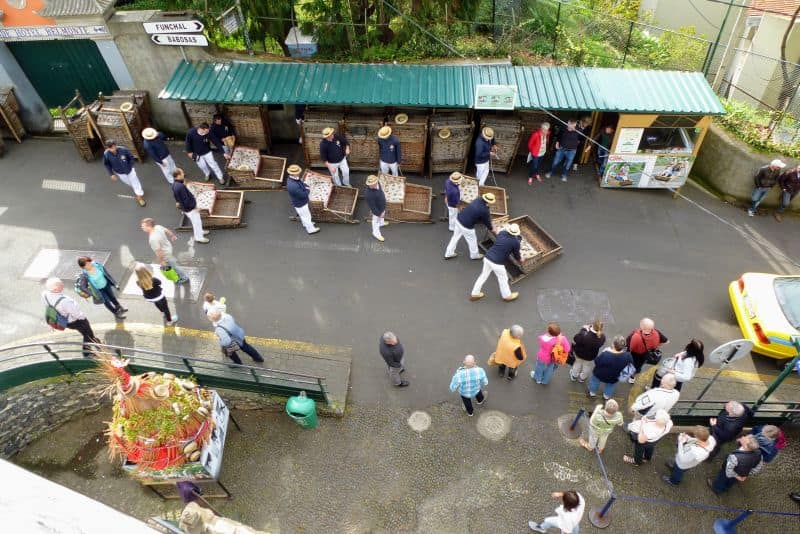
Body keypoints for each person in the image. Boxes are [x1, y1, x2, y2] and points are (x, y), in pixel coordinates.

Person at [42, 277, 99, 358]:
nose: (63, 284)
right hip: (75, 321)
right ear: (55, 289)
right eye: (60, 284)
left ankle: (93, 340)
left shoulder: (45, 294)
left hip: (65, 321)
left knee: (84, 332)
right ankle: (87, 353)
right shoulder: (64, 301)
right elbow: (76, 314)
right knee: (88, 334)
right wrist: (83, 318)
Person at [470, 223, 521, 302]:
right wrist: (521, 259)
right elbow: (517, 255)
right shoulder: (515, 242)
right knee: (503, 278)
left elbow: (497, 232)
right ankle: (507, 296)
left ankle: (475, 293)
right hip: (497, 263)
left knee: (483, 275)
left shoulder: (502, 233)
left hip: (487, 257)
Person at [444, 193, 496, 260]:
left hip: (459, 219)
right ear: (489, 201)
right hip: (467, 226)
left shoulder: (478, 200)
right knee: (472, 241)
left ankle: (448, 253)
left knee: (455, 237)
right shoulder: (484, 210)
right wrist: (491, 228)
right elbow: (487, 222)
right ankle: (474, 255)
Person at [141, 217, 189, 285]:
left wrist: (161, 261)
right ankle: (178, 274)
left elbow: (158, 251)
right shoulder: (158, 227)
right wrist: (172, 235)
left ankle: (184, 277)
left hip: (165, 254)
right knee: (172, 263)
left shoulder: (152, 239)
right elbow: (166, 230)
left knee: (174, 266)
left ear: (149, 226)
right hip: (168, 248)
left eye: (143, 226)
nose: (142, 227)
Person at [588, 335, 633, 400]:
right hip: (614, 377)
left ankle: (592, 393)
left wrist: (604, 351)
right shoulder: (628, 356)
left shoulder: (606, 354)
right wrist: (622, 378)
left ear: (613, 345)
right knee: (610, 386)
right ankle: (606, 396)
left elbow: (596, 361)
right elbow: (630, 368)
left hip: (600, 374)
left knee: (594, 382)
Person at [172, 168, 210, 244]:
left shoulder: (175, 185)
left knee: (198, 221)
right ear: (178, 175)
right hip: (190, 209)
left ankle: (200, 232)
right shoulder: (180, 186)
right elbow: (186, 200)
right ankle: (199, 238)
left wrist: (178, 202)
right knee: (196, 222)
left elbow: (177, 197)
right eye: (182, 173)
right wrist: (194, 207)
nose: (184, 174)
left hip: (186, 208)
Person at [103, 139, 145, 207]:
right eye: (111, 148)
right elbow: (107, 164)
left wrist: (130, 166)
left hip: (130, 171)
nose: (114, 149)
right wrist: (111, 174)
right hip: (120, 173)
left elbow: (131, 157)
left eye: (114, 146)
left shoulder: (123, 149)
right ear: (108, 148)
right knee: (129, 183)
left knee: (135, 182)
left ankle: (139, 196)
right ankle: (137, 189)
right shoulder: (106, 154)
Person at [626, 318, 668, 384]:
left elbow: (629, 349)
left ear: (642, 327)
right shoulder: (656, 332)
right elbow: (666, 341)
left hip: (636, 354)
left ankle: (625, 374)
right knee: (638, 367)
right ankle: (632, 378)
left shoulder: (636, 336)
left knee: (631, 364)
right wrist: (656, 346)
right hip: (646, 354)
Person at [286, 164, 320, 235]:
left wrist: (306, 186)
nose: (299, 173)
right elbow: (303, 195)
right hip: (300, 203)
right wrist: (308, 189)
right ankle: (311, 229)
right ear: (294, 173)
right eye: (298, 172)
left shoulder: (292, 179)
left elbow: (301, 183)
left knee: (303, 215)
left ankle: (306, 224)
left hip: (299, 202)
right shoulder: (293, 186)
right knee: (306, 216)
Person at [365, 175, 388, 242]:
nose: (373, 185)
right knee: (375, 221)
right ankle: (376, 233)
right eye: (371, 184)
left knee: (382, 215)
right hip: (377, 210)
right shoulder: (368, 194)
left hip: (382, 206)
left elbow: (380, 191)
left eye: (374, 183)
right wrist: (378, 214)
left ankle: (381, 223)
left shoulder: (378, 183)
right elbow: (373, 207)